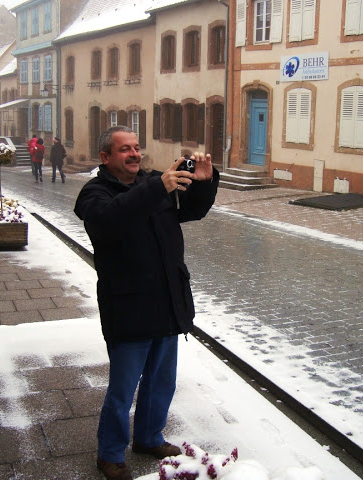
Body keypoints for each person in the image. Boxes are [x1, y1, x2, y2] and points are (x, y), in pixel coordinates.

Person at [74, 126, 219, 480]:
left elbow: (193, 211)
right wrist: (159, 187)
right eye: (125, 149)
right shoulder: (95, 194)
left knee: (161, 381)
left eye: (137, 147)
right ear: (106, 157)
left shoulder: (155, 183)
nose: (135, 154)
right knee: (123, 390)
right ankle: (109, 454)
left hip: (167, 300)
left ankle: (149, 438)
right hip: (129, 307)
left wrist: (204, 180)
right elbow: (113, 220)